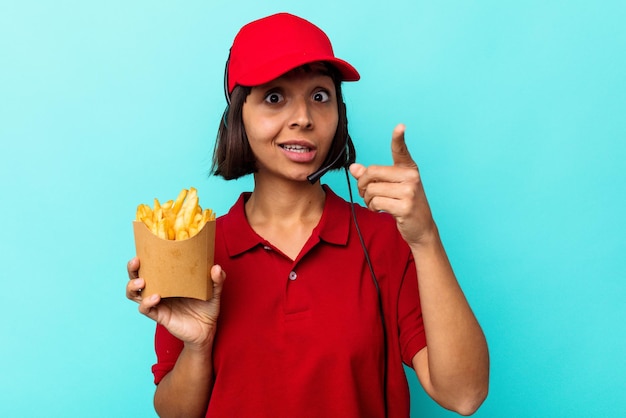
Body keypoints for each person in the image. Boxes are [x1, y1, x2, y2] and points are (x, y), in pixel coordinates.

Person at [126, 12, 489, 418]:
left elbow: (464, 394)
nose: (303, 117)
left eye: (320, 96)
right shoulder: (196, 248)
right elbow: (175, 413)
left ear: (340, 115)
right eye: (275, 97)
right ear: (237, 118)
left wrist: (425, 238)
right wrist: (198, 347)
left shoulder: (384, 239)